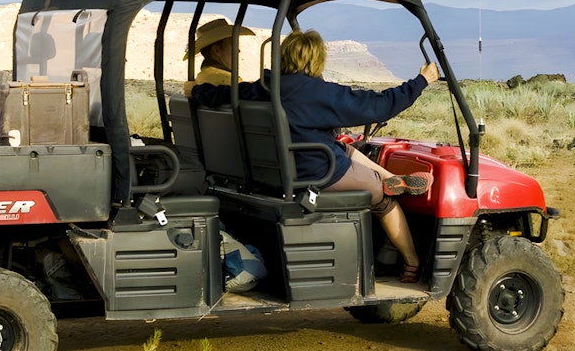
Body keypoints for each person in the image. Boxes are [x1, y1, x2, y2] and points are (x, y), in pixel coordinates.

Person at [193, 28, 439, 283]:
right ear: (316, 59)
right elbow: (380, 105)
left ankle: (391, 176)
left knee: (344, 148)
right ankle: (412, 261)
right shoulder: (319, 93)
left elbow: (222, 93)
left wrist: (197, 91)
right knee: (382, 199)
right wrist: (421, 81)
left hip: (280, 169)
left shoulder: (264, 87)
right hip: (318, 172)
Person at [183, 17, 254, 92]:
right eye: (233, 44)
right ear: (217, 50)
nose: (238, 50)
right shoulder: (228, 80)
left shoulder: (202, 76)